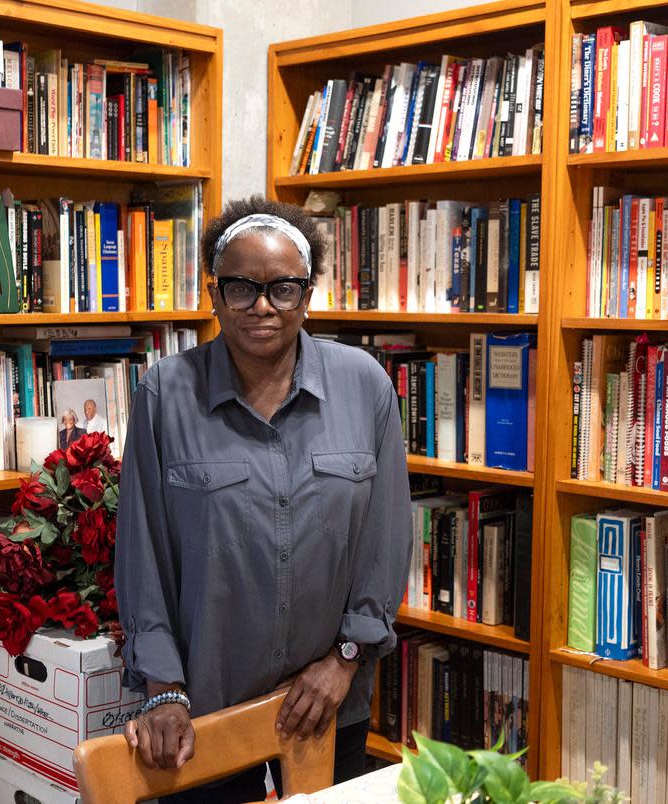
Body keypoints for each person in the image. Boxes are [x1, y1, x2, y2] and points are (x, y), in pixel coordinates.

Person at [116, 196, 412, 801]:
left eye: (282, 289)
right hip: (205, 709)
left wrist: (346, 659)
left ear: (308, 295)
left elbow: (385, 541)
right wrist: (163, 689)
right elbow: (142, 556)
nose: (261, 308)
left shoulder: (365, 385)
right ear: (213, 293)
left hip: (329, 700)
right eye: (241, 288)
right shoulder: (165, 393)